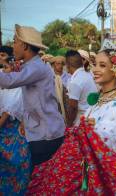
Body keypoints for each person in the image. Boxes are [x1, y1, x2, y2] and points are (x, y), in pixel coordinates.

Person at [27, 43, 116, 195]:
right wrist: (85, 129)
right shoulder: (103, 99)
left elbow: (105, 144)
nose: (95, 69)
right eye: (95, 64)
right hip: (86, 170)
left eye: (102, 65)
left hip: (96, 175)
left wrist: (88, 131)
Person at [0, 24, 65, 167]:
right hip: (42, 132)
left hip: (46, 135)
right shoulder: (31, 66)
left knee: (40, 181)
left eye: (15, 41)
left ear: (24, 46)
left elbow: (9, 81)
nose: (12, 46)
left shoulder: (36, 67)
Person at [0, 56, 31, 195]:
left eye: (6, 67)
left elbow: (7, 114)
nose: (3, 71)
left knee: (16, 168)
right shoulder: (6, 86)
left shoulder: (17, 87)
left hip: (14, 132)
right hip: (6, 132)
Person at [65, 50, 98, 127]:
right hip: (93, 117)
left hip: (82, 120)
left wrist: (68, 126)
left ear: (68, 64)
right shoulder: (88, 74)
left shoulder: (76, 81)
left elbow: (73, 108)